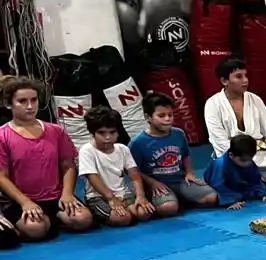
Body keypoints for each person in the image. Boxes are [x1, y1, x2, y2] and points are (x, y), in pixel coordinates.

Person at [0, 77, 93, 242]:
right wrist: (25, 202)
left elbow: (68, 166)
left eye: (34, 100)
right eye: (22, 101)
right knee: (35, 229)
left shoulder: (55, 131)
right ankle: (34, 224)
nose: (30, 106)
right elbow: (2, 177)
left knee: (83, 219)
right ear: (9, 104)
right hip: (21, 199)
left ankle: (53, 220)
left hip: (55, 196)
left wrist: (67, 194)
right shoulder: (2, 136)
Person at [203, 58, 266, 187]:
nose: (245, 80)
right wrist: (238, 161)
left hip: (258, 152)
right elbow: (218, 139)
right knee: (234, 178)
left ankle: (253, 177)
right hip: (232, 156)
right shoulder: (213, 104)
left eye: (246, 76)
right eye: (239, 77)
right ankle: (247, 177)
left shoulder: (255, 99)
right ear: (224, 81)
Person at [79, 106, 171, 227]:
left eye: (112, 132)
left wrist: (140, 196)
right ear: (93, 133)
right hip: (98, 197)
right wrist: (111, 198)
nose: (107, 137)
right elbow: (92, 177)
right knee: (123, 218)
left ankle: (129, 209)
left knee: (144, 213)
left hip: (123, 193)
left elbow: (135, 176)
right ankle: (99, 214)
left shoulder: (122, 149)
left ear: (118, 132)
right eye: (101, 133)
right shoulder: (87, 150)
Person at [129, 92, 219, 210]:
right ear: (148, 117)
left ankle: (179, 197)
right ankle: (167, 200)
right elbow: (132, 170)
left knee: (213, 197)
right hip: (157, 186)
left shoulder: (179, 133)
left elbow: (186, 155)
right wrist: (152, 183)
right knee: (168, 208)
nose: (167, 119)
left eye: (170, 115)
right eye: (161, 116)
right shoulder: (137, 142)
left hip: (180, 180)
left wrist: (189, 173)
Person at [204, 133, 266, 210]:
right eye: (243, 160)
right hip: (216, 186)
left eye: (250, 160)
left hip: (237, 185)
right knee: (211, 197)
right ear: (231, 155)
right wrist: (230, 201)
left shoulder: (248, 162)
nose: (247, 163)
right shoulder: (220, 164)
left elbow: (256, 179)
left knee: (247, 192)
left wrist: (263, 194)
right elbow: (218, 184)